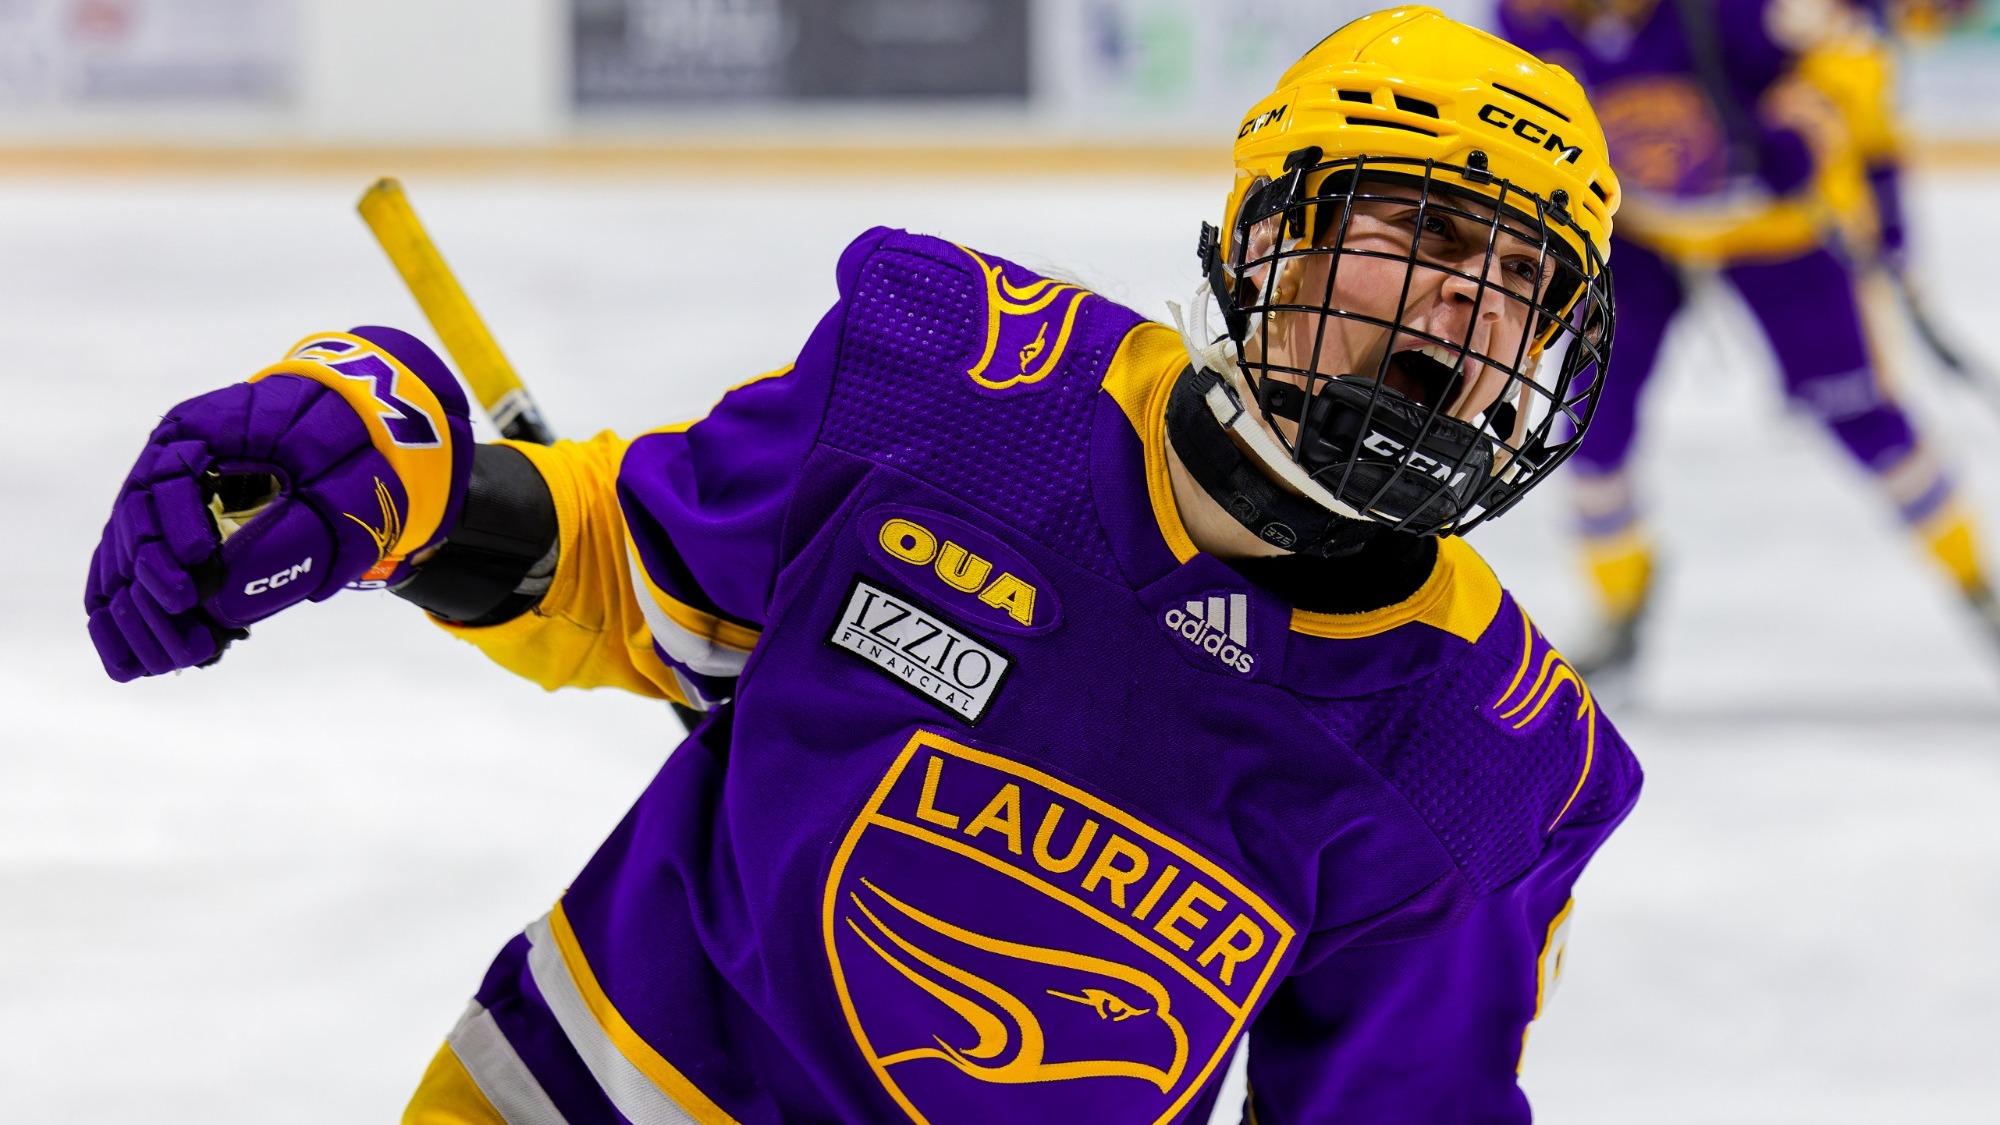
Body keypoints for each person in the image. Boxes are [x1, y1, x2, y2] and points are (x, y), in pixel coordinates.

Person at [83, 8, 1641, 1122]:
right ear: (1267, 233)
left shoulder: (1485, 758)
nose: (1463, 312)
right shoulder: (963, 387)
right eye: (1419, 233)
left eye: (1520, 280)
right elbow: (624, 564)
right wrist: (406, 479)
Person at [1498, 0, 2000, 675]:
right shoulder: (1527, 17)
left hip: (1774, 232)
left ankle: (1980, 584)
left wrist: (1809, 122)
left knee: (1865, 420)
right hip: (1640, 231)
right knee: (1589, 423)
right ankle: (1620, 603)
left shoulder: (1739, 8)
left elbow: (1850, 50)